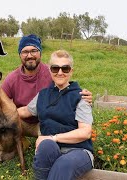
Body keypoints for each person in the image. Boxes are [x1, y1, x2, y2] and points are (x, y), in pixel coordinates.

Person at [0, 34, 92, 139]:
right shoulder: (12, 78)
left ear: (40, 53)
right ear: (20, 54)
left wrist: (82, 96)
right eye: (25, 52)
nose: (29, 56)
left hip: (44, 121)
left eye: (34, 51)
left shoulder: (52, 72)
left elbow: (65, 84)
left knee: (53, 129)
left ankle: (46, 140)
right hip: (20, 121)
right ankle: (14, 141)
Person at [18, 50, 93, 180]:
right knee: (45, 146)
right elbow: (24, 111)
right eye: (55, 68)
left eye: (65, 68)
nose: (60, 72)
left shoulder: (80, 97)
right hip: (51, 149)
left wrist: (53, 138)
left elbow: (85, 132)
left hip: (78, 151)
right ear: (50, 71)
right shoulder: (43, 95)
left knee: (63, 163)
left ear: (71, 71)